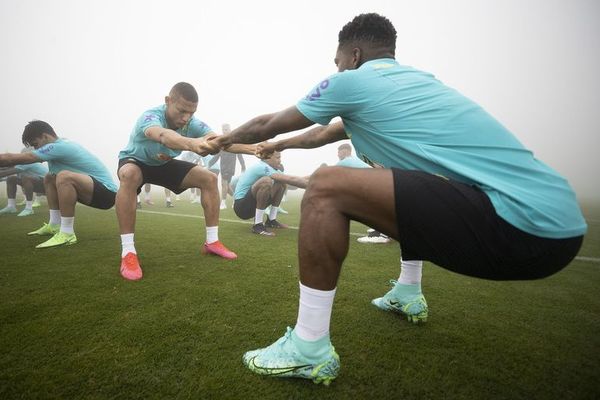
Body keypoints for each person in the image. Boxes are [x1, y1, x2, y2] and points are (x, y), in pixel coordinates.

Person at [206, 13, 587, 385]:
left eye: (338, 62)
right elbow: (318, 135)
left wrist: (221, 141)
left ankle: (307, 348)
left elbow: (263, 124)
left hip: (519, 224)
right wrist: (277, 146)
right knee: (402, 180)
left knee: (325, 184)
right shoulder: (412, 83)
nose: (337, 69)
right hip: (559, 229)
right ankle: (408, 291)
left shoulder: (352, 82)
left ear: (354, 56)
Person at [116, 82, 254, 281]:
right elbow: (163, 135)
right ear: (168, 101)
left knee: (209, 178)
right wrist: (192, 143)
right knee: (129, 174)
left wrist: (255, 149)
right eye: (181, 111)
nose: (186, 118)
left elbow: (220, 140)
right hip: (135, 161)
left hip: (163, 164)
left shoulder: (191, 122)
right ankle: (128, 252)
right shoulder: (150, 117)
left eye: (191, 112)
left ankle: (212, 242)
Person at [0, 120, 118, 248]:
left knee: (63, 176)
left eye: (36, 144)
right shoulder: (58, 146)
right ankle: (54, 224)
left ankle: (67, 232)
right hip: (94, 190)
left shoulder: (59, 146)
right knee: (50, 177)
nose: (36, 149)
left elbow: (14, 159)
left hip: (107, 194)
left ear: (45, 136)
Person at [233, 152, 307, 235]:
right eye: (277, 158)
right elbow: (292, 180)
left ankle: (271, 221)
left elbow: (292, 182)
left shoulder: (273, 170)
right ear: (268, 158)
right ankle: (257, 225)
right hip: (241, 207)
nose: (280, 161)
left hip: (252, 206)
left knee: (281, 183)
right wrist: (313, 184)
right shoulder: (261, 166)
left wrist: (315, 178)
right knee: (266, 181)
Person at [335, 143, 392, 243]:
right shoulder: (355, 159)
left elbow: (325, 174)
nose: (338, 155)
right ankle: (382, 230)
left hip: (377, 186)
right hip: (382, 184)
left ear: (344, 151)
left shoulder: (345, 161)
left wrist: (298, 179)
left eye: (338, 152)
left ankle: (383, 235)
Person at [207, 123, 247, 210]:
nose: (225, 130)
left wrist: (243, 166)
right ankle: (237, 199)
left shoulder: (234, 141)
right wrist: (209, 164)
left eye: (226, 129)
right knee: (227, 186)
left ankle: (223, 203)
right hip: (223, 166)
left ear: (229, 129)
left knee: (224, 184)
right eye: (223, 129)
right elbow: (217, 155)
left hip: (230, 166)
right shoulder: (221, 142)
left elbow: (239, 153)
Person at [0, 150, 48, 217]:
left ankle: (29, 208)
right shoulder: (20, 164)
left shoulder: (27, 162)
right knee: (11, 179)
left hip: (48, 186)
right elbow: (7, 171)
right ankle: (11, 206)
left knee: (26, 178)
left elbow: (7, 172)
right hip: (39, 184)